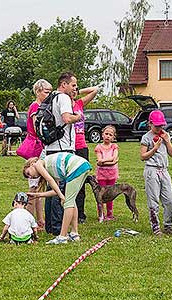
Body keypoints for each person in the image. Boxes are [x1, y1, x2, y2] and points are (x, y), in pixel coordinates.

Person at [23, 152, 91, 244]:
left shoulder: (38, 164)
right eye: (29, 177)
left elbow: (50, 181)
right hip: (83, 165)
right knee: (71, 200)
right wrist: (38, 195)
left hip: (76, 167)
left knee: (68, 202)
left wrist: (61, 196)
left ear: (31, 164)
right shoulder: (51, 170)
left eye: (28, 173)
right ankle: (74, 233)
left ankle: (62, 237)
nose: (31, 177)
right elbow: (56, 190)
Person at [44, 72, 81, 236]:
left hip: (51, 148)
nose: (75, 88)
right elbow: (66, 118)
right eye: (73, 85)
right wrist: (77, 116)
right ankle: (59, 227)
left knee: (51, 186)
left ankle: (51, 226)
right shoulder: (64, 98)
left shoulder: (52, 97)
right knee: (61, 189)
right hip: (63, 148)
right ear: (63, 84)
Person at [140, 110, 172, 236]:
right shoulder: (146, 137)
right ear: (150, 124)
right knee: (153, 200)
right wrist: (154, 148)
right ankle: (155, 227)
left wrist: (167, 141)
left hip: (164, 170)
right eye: (157, 126)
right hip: (152, 170)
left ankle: (168, 225)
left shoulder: (165, 135)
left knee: (169, 200)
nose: (160, 128)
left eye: (161, 125)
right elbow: (142, 156)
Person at [23, 79, 52, 231]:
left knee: (39, 187)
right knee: (34, 188)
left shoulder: (41, 106)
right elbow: (38, 128)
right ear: (38, 91)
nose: (49, 94)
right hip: (36, 148)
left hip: (40, 147)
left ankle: (40, 220)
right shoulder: (35, 107)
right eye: (46, 92)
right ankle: (31, 221)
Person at [72, 85, 98, 224]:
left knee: (81, 180)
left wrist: (77, 91)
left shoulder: (79, 103)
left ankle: (80, 213)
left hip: (81, 145)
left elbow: (95, 90)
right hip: (68, 145)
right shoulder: (61, 102)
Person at [95, 125, 119, 222]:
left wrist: (104, 161)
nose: (108, 136)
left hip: (112, 174)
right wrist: (111, 161)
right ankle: (101, 214)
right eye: (106, 134)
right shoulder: (99, 147)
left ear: (113, 137)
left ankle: (110, 214)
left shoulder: (114, 146)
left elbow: (113, 159)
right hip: (101, 175)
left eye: (110, 135)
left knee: (110, 194)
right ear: (102, 135)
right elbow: (99, 160)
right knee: (100, 195)